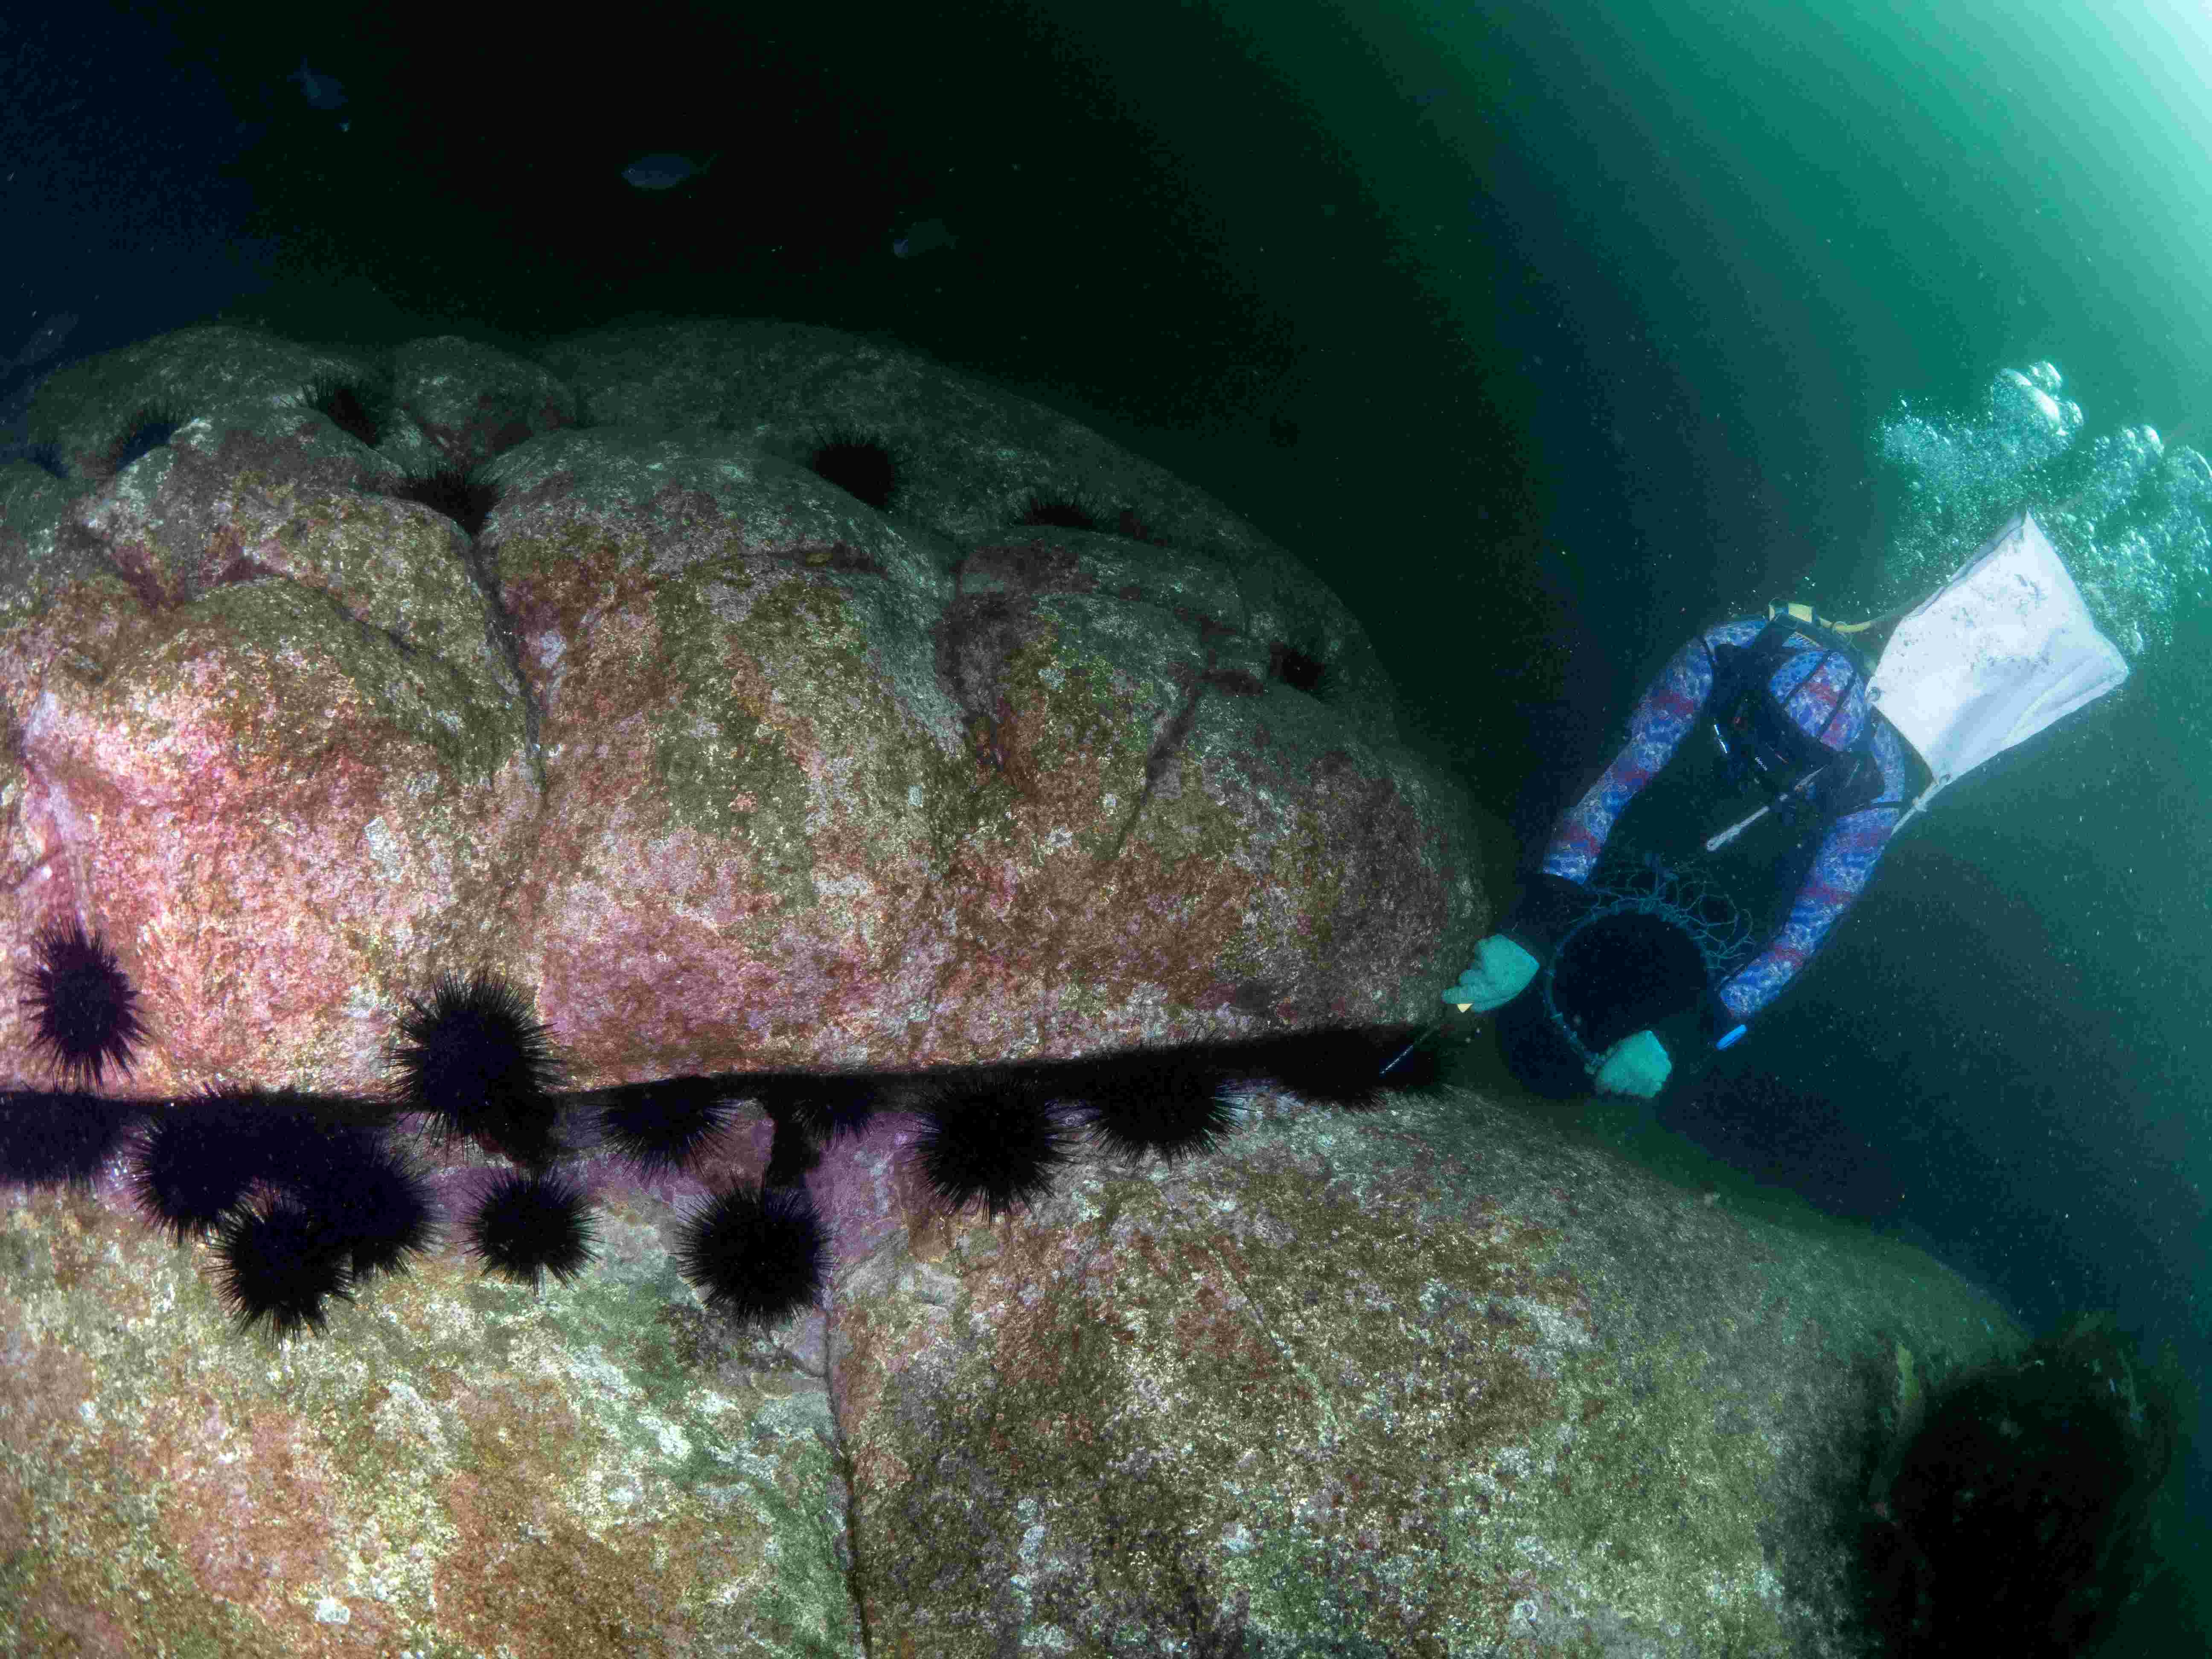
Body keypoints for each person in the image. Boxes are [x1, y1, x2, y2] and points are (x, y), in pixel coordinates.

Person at [1444, 510, 2128, 1100]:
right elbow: (1618, 783)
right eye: (1770, 733)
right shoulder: (1729, 651)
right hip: (1668, 819)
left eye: (1799, 756)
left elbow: (1803, 931)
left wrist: (1684, 1038)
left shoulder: (1873, 787)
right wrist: (1532, 927)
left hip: (1748, 887)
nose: (1774, 762)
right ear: (1755, 697)